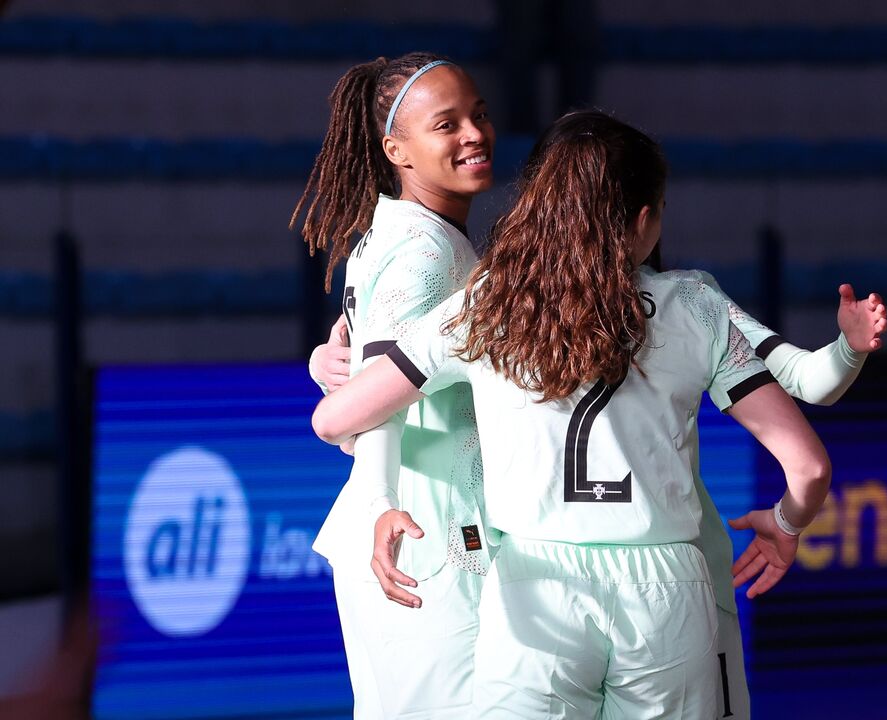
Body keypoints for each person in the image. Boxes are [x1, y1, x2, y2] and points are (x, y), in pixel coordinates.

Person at [312, 110, 844, 718]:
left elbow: (333, 420)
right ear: (643, 219)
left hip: (534, 587)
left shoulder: (488, 305)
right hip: (667, 589)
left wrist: (328, 361)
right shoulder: (695, 305)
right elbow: (809, 468)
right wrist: (787, 522)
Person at [291, 52, 495, 718]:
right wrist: (382, 500)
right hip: (423, 536)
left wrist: (326, 361)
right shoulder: (424, 253)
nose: (474, 134)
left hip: (401, 530)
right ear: (395, 151)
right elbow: (382, 396)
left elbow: (366, 362)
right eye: (447, 124)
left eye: (478, 114)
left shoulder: (395, 234)